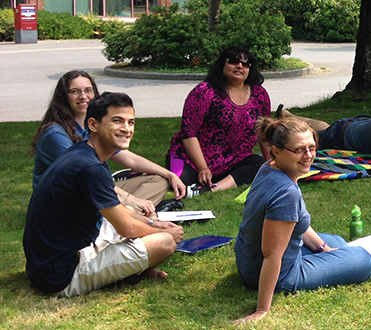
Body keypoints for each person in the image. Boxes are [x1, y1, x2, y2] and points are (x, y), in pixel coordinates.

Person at [24, 92, 184, 297]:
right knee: (164, 242)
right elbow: (125, 226)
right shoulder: (89, 166)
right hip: (60, 274)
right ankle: (126, 273)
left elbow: (119, 210)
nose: (126, 129)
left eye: (131, 122)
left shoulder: (84, 153)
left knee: (142, 217)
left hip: (51, 260)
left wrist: (153, 224)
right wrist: (163, 233)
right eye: (117, 121)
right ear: (93, 124)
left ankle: (129, 270)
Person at [234, 117, 371, 323]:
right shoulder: (286, 193)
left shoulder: (268, 168)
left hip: (247, 261)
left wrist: (325, 251)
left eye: (312, 148)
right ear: (276, 150)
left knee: (336, 242)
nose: (308, 156)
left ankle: (327, 253)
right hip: (278, 274)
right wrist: (262, 309)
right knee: (362, 259)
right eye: (298, 150)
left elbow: (295, 221)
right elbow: (272, 254)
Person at [30, 70, 186, 216]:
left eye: (88, 90)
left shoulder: (96, 125)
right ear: (63, 96)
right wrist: (132, 198)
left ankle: (134, 211)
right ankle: (136, 212)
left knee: (159, 179)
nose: (83, 96)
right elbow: (85, 177)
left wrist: (170, 174)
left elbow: (129, 158)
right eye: (75, 91)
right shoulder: (56, 134)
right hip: (70, 196)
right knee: (109, 197)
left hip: (96, 185)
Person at [165, 46, 270, 196]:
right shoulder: (204, 92)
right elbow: (188, 133)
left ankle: (213, 188)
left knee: (260, 167)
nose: (240, 66)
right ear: (222, 64)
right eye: (234, 61)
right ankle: (139, 174)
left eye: (246, 63)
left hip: (234, 161)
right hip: (192, 159)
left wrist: (273, 164)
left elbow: (264, 132)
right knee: (179, 182)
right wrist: (202, 168)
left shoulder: (260, 94)